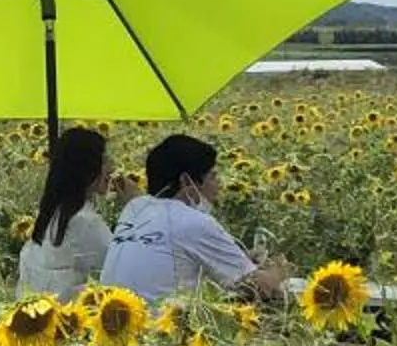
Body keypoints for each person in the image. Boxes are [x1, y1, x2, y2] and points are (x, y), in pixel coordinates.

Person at [99, 132, 265, 305]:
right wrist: (278, 272)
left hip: (111, 323)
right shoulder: (194, 222)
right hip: (162, 326)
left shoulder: (134, 208)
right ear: (186, 181)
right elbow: (257, 286)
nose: (219, 185)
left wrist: (235, 258)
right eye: (212, 176)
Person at [17, 126, 111, 299]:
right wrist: (135, 205)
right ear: (87, 168)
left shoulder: (51, 217)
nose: (111, 168)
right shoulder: (85, 222)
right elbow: (119, 267)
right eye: (105, 161)